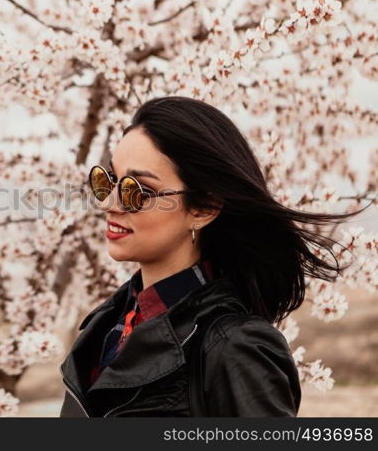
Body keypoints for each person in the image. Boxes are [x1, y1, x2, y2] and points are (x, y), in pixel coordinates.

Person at [59, 96, 370, 417]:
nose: (111, 203)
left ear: (203, 208)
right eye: (107, 181)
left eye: (138, 191)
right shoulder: (106, 327)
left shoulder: (235, 349)